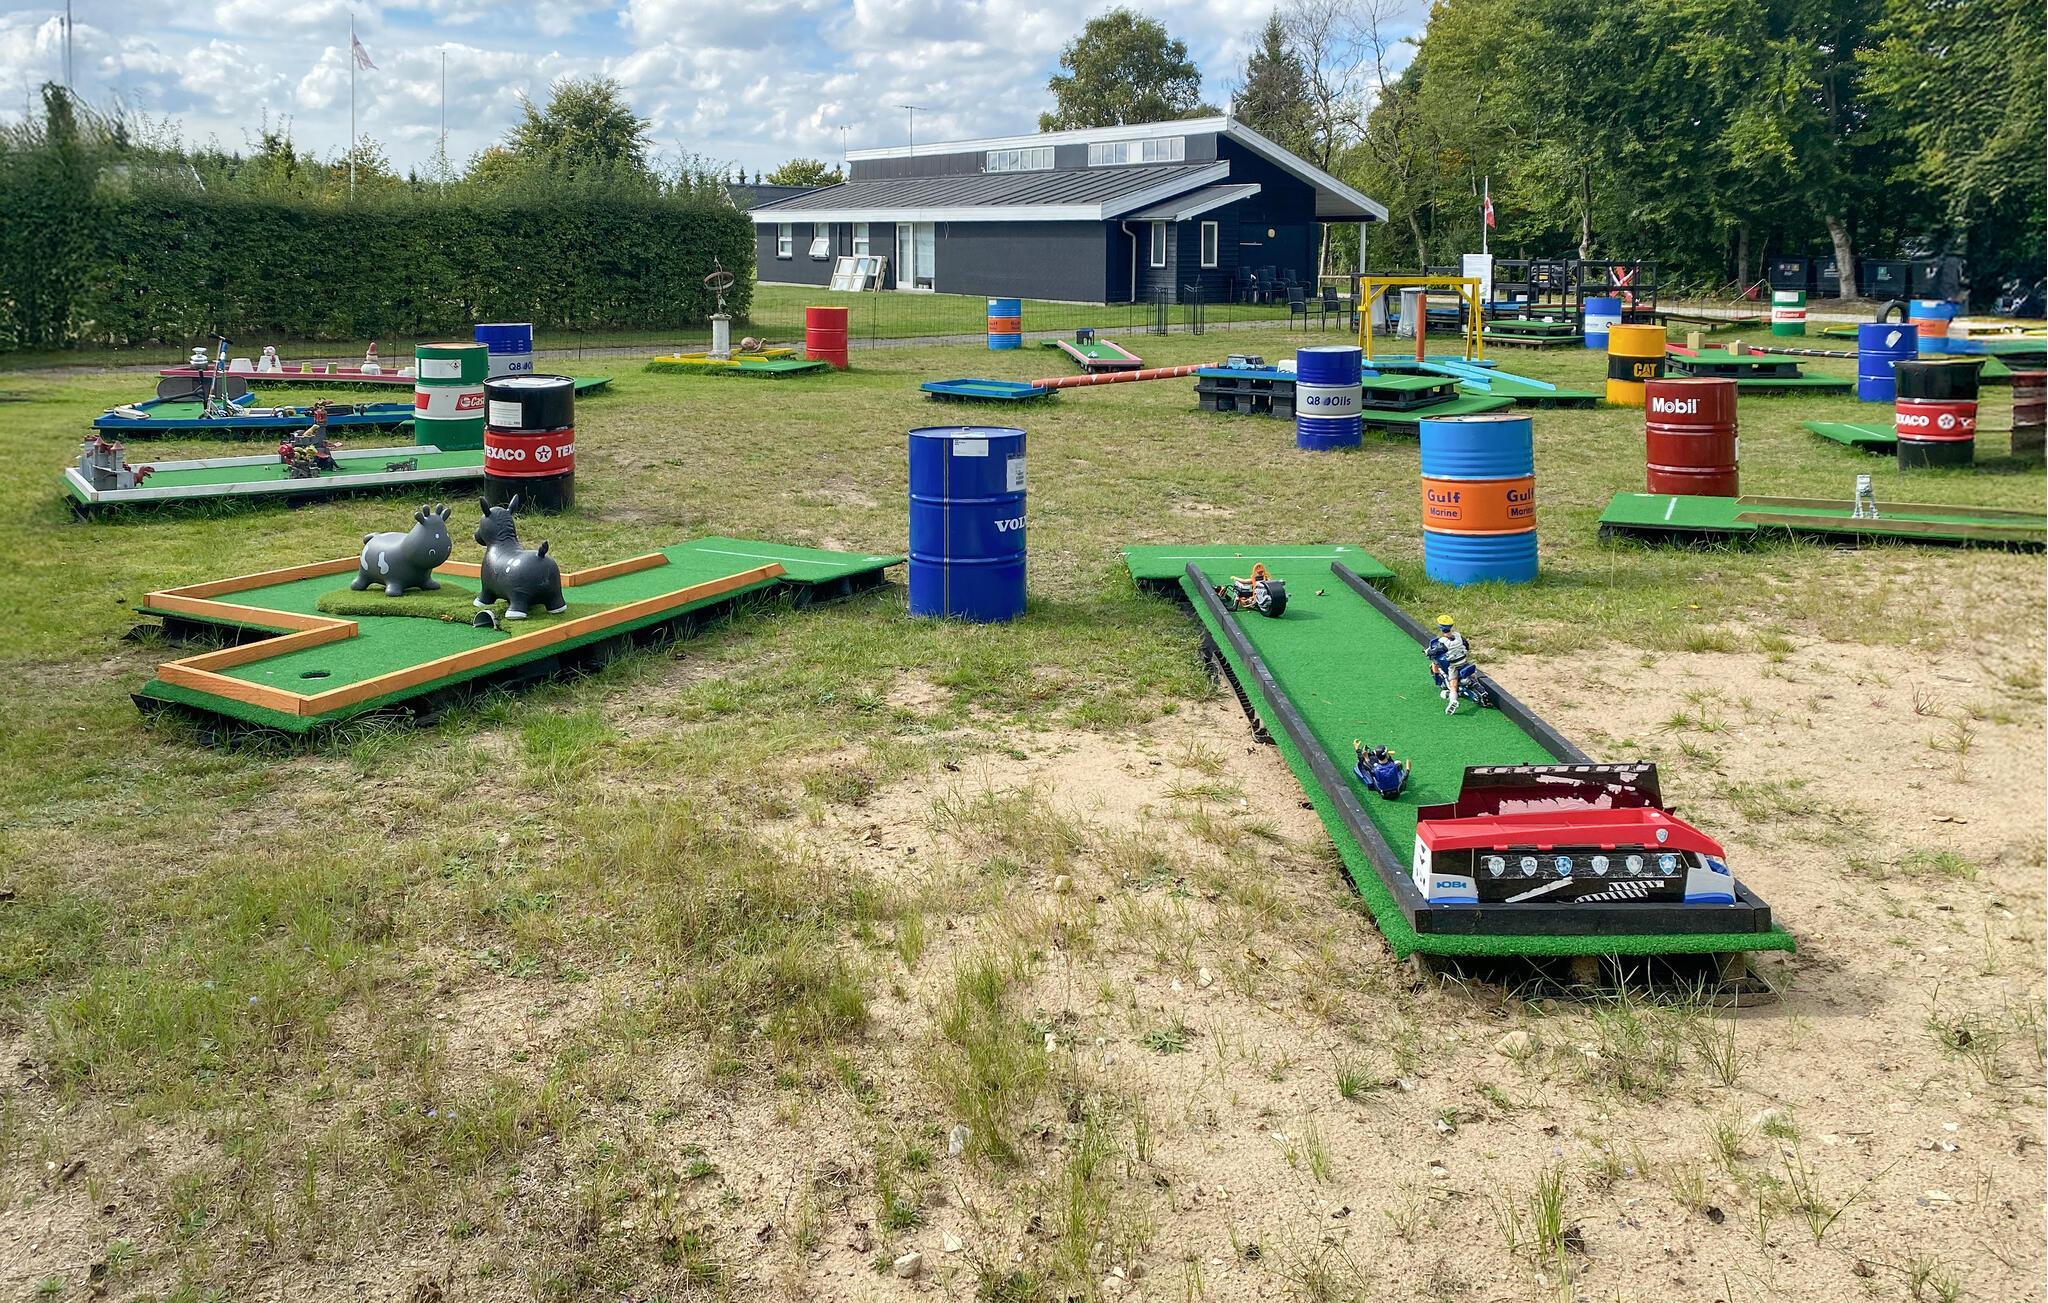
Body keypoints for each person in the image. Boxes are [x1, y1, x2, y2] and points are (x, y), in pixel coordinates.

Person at [1425, 615, 1477, 715]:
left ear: (1440, 628)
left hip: (1454, 665)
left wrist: (1427, 652)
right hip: (1464, 661)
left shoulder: (1443, 642)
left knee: (1453, 685)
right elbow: (1466, 645)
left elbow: (1434, 651)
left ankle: (1453, 700)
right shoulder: (1458, 636)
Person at [1218, 563, 1288, 617]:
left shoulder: (1258, 579)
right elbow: (1245, 581)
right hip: (1256, 597)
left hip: (1256, 597)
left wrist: (1235, 578)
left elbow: (1244, 581)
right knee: (1243, 593)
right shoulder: (1265, 578)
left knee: (1237, 590)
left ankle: (1234, 606)